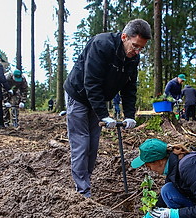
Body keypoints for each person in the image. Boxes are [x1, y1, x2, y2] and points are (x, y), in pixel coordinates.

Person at [63, 18, 152, 198]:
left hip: (97, 98)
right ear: (124, 37)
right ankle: (83, 192)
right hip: (79, 95)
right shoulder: (101, 45)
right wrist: (103, 115)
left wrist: (129, 115)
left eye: (141, 48)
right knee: (81, 143)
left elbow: (129, 87)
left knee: (93, 144)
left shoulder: (132, 58)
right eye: (135, 46)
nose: (137, 51)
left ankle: (85, 182)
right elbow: (91, 82)